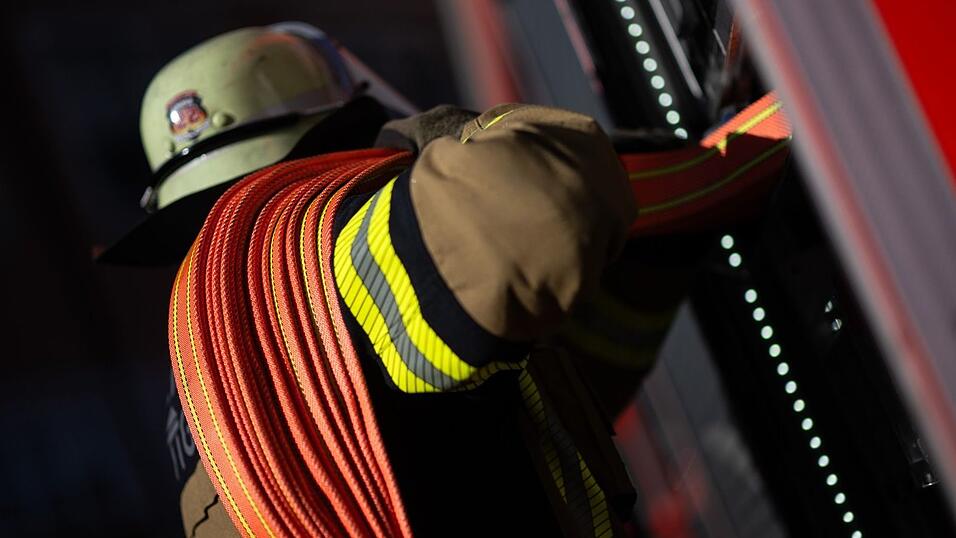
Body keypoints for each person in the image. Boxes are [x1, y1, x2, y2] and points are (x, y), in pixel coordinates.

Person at [103, 21, 791, 538]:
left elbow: (527, 393)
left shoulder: (207, 390)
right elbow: (543, 203)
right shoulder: (331, 264)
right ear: (339, 128)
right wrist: (424, 147)